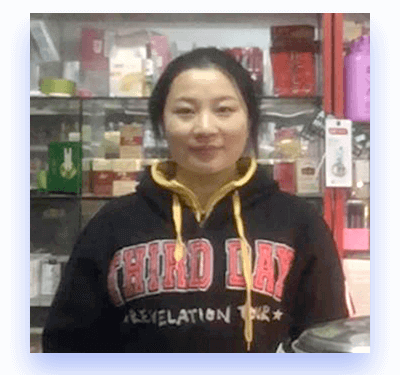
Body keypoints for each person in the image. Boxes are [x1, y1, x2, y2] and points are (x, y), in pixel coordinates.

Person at [42, 47, 349, 353]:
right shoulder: (112, 224)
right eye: (185, 111)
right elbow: (68, 346)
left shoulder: (299, 224)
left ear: (250, 119)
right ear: (161, 122)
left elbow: (326, 346)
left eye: (224, 110)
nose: (205, 128)